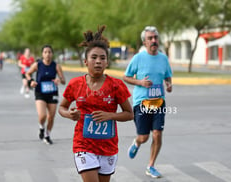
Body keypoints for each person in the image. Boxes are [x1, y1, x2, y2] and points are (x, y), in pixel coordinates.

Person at [58, 25, 133, 182]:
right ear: (86, 61)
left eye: (102, 58)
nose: (98, 61)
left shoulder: (116, 85)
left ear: (107, 62)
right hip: (83, 145)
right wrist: (70, 115)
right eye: (94, 58)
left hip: (108, 146)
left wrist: (110, 115)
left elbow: (129, 114)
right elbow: (62, 107)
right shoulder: (75, 84)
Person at [123, 26, 173, 178]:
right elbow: (126, 77)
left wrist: (169, 84)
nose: (154, 41)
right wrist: (140, 82)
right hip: (142, 103)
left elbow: (167, 76)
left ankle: (151, 165)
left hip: (158, 102)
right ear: (144, 42)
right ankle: (137, 142)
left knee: (157, 134)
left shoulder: (163, 58)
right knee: (144, 137)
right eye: (150, 38)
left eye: (155, 38)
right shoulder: (138, 58)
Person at [25, 45, 65, 144]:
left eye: (49, 52)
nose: (47, 54)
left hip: (52, 93)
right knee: (42, 116)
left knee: (51, 116)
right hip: (40, 92)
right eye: (45, 52)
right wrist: (31, 81)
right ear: (42, 54)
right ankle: (41, 127)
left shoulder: (56, 66)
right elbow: (27, 74)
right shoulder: (37, 65)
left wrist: (58, 80)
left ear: (52, 54)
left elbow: (63, 80)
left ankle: (47, 135)